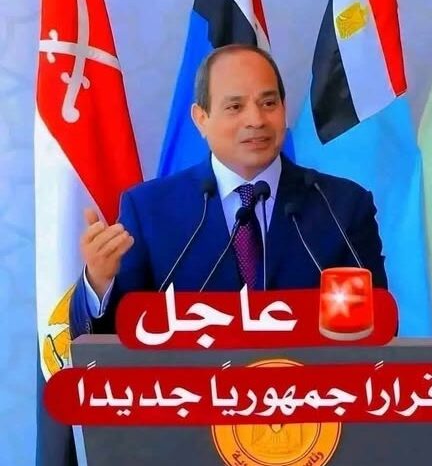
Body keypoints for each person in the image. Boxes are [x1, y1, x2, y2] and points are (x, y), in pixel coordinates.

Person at [69, 44, 388, 337]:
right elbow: (112, 335)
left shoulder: (341, 206)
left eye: (268, 103)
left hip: (310, 380)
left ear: (284, 108)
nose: (256, 120)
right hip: (190, 382)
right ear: (201, 119)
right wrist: (99, 281)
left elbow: (379, 325)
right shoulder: (149, 210)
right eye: (235, 107)